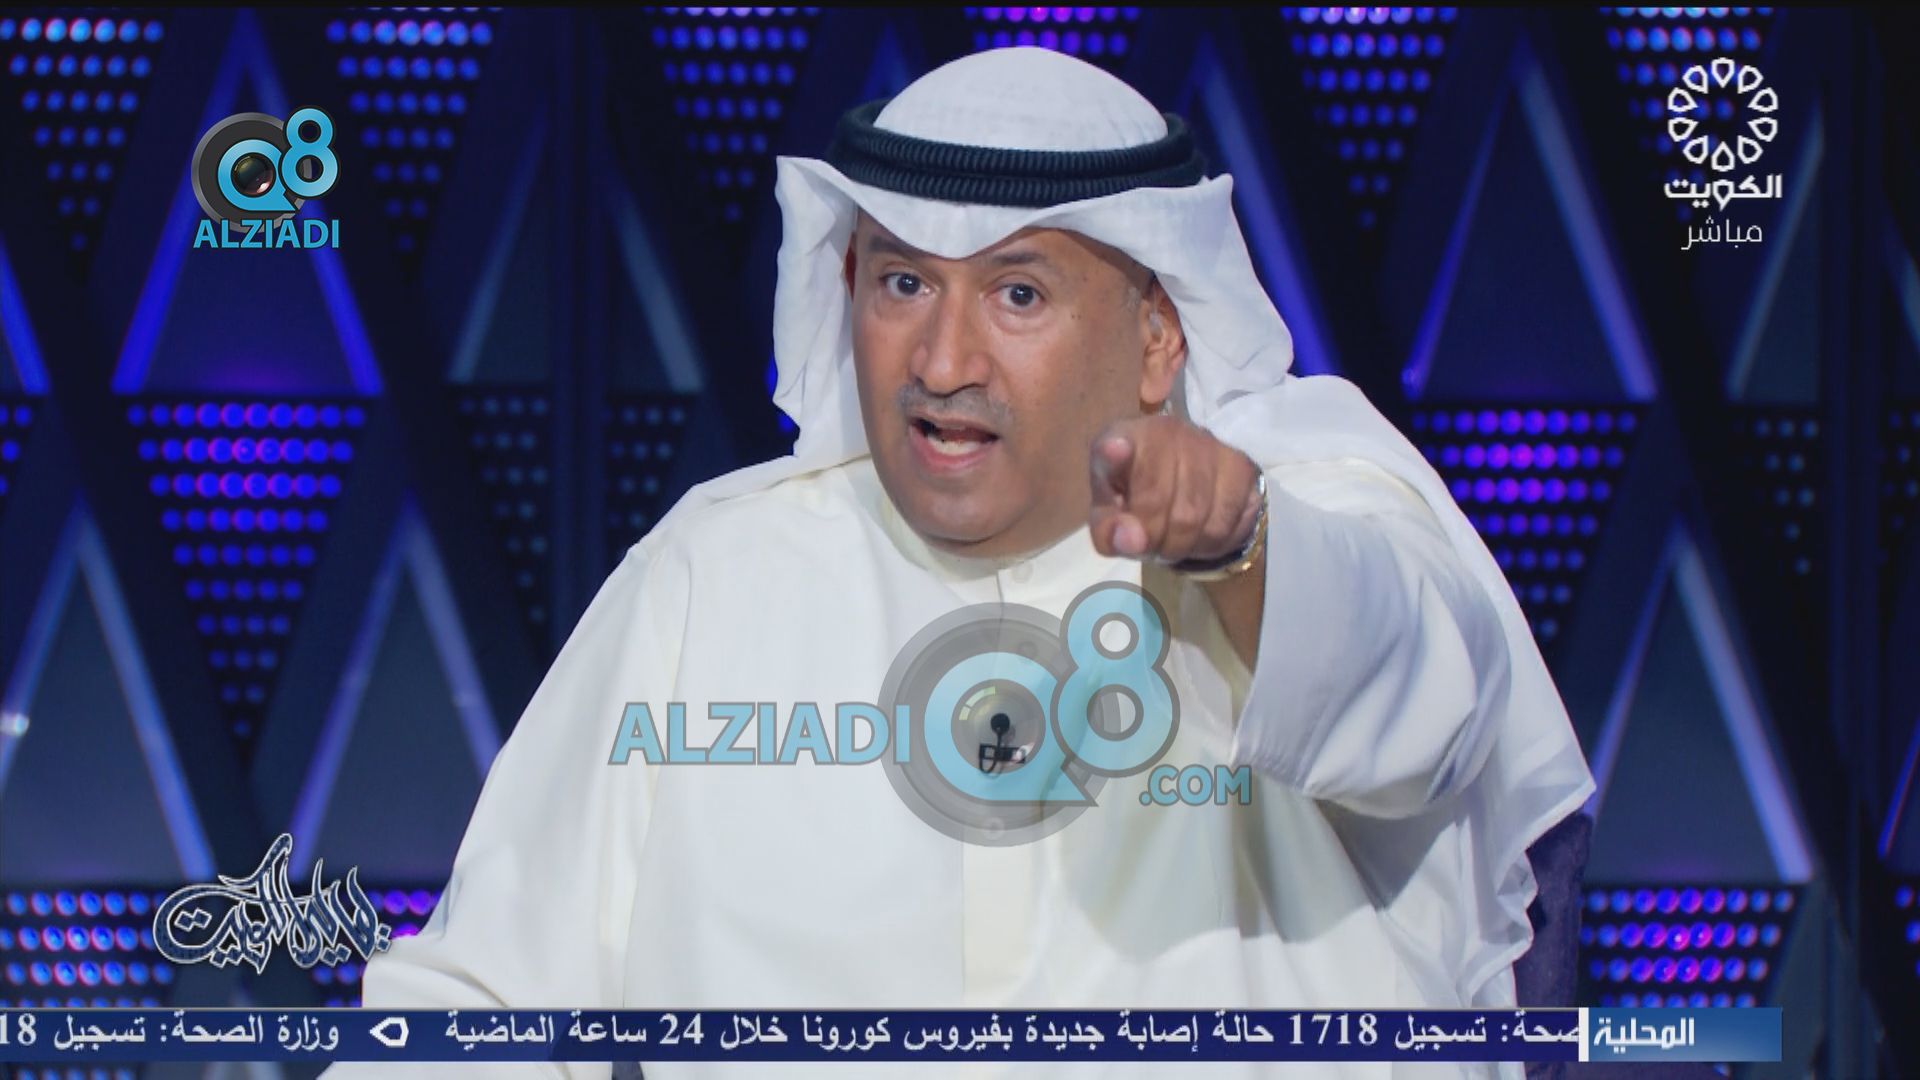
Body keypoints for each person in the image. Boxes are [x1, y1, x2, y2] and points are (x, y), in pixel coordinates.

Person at [320, 47, 1593, 1079]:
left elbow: (1422, 695)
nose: (941, 361)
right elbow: (483, 1005)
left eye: (1018, 296)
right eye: (902, 285)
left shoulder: (1307, 509)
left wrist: (1239, 545)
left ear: (1158, 339)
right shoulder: (717, 571)